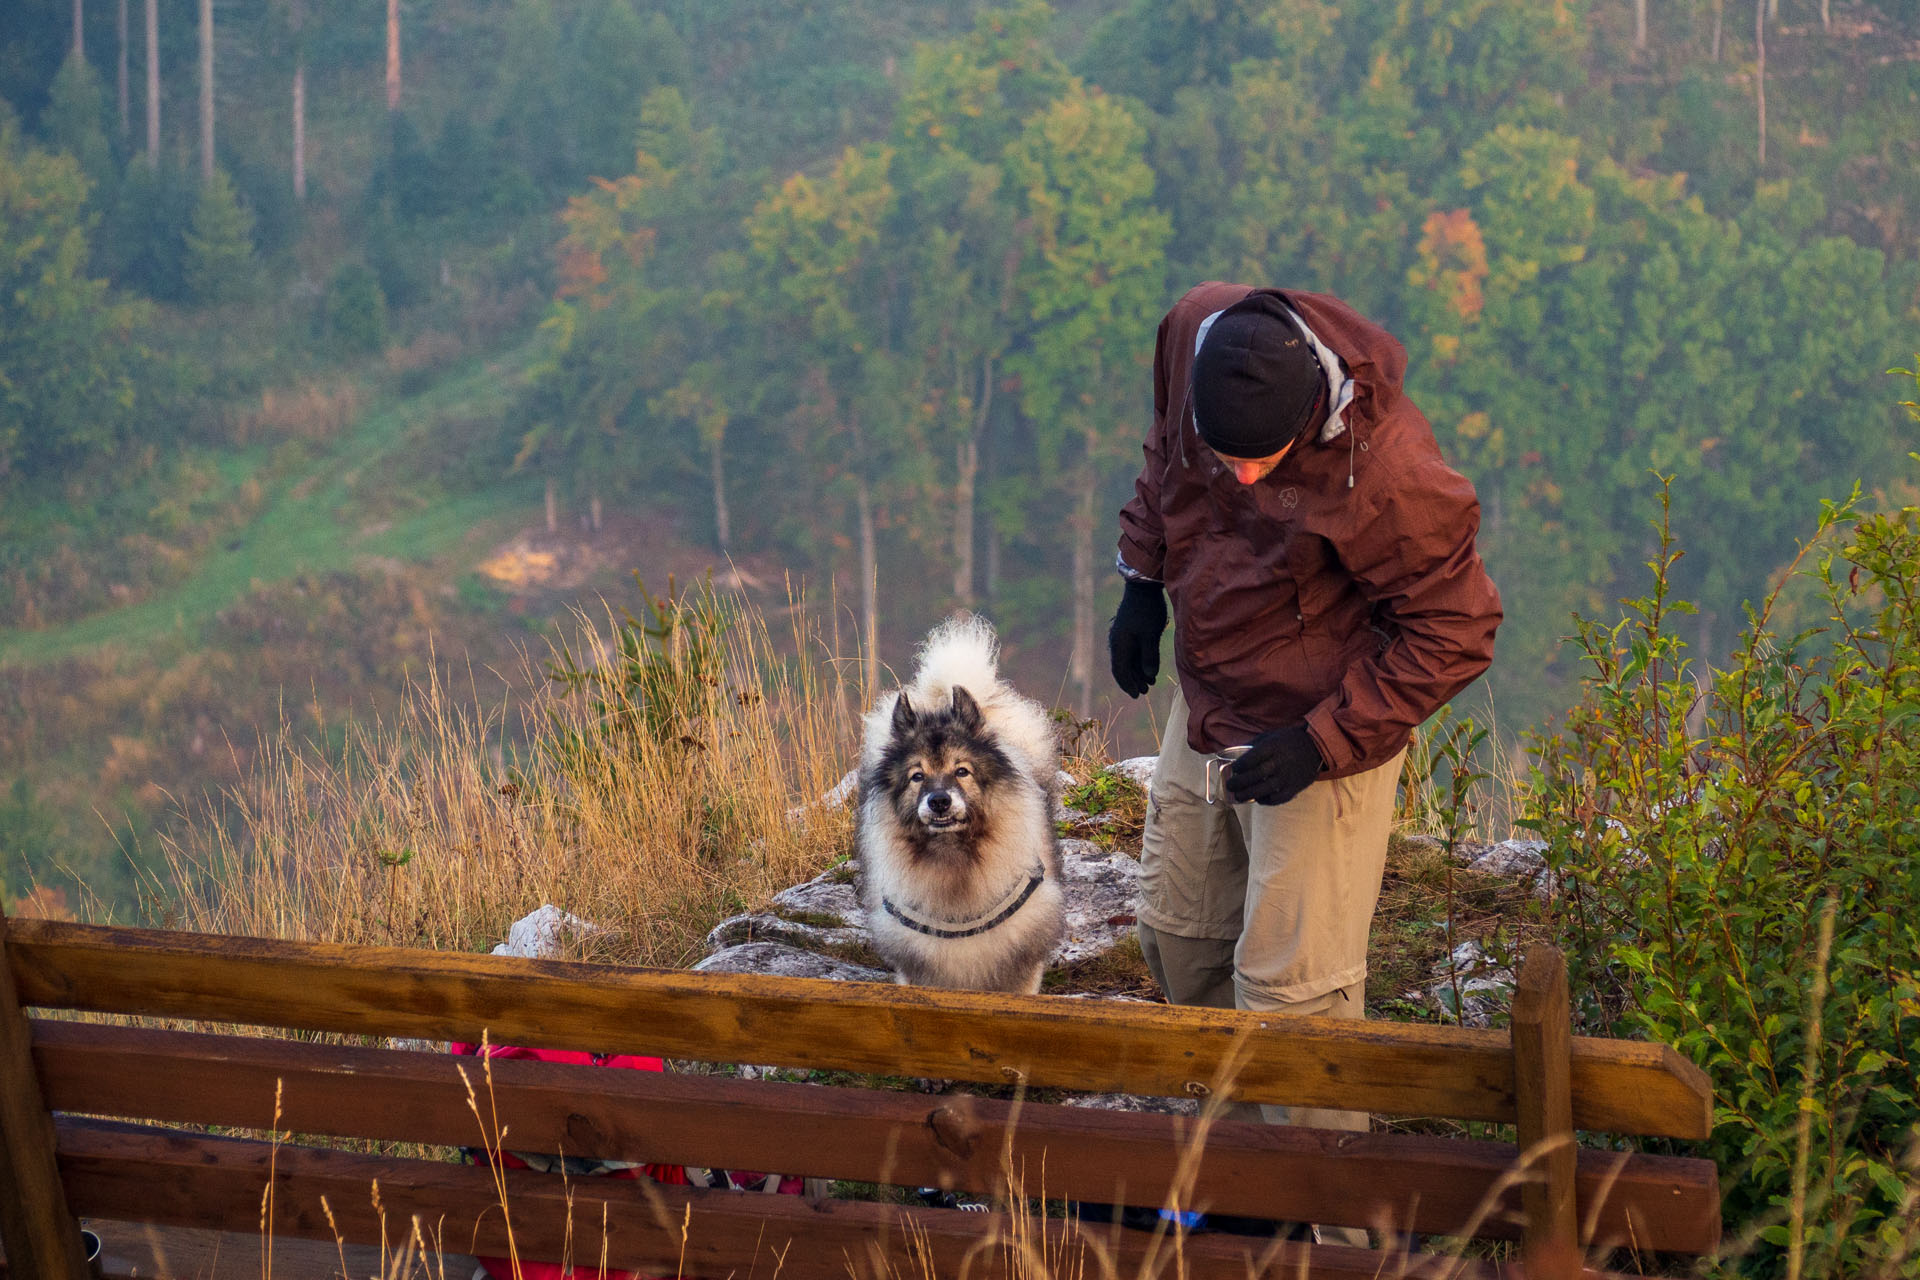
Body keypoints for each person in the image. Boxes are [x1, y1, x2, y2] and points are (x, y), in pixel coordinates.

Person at [1108, 282, 1502, 1242]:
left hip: (1328, 728)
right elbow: (1167, 458)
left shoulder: (1392, 473)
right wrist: (1141, 584)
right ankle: (1238, 1206)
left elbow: (1453, 632)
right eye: (1226, 456)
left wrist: (1323, 742)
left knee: (1294, 997)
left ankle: (1338, 1238)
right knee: (1181, 941)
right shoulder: (1191, 335)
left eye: (1263, 462)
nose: (1241, 480)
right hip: (1214, 697)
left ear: (1309, 422)